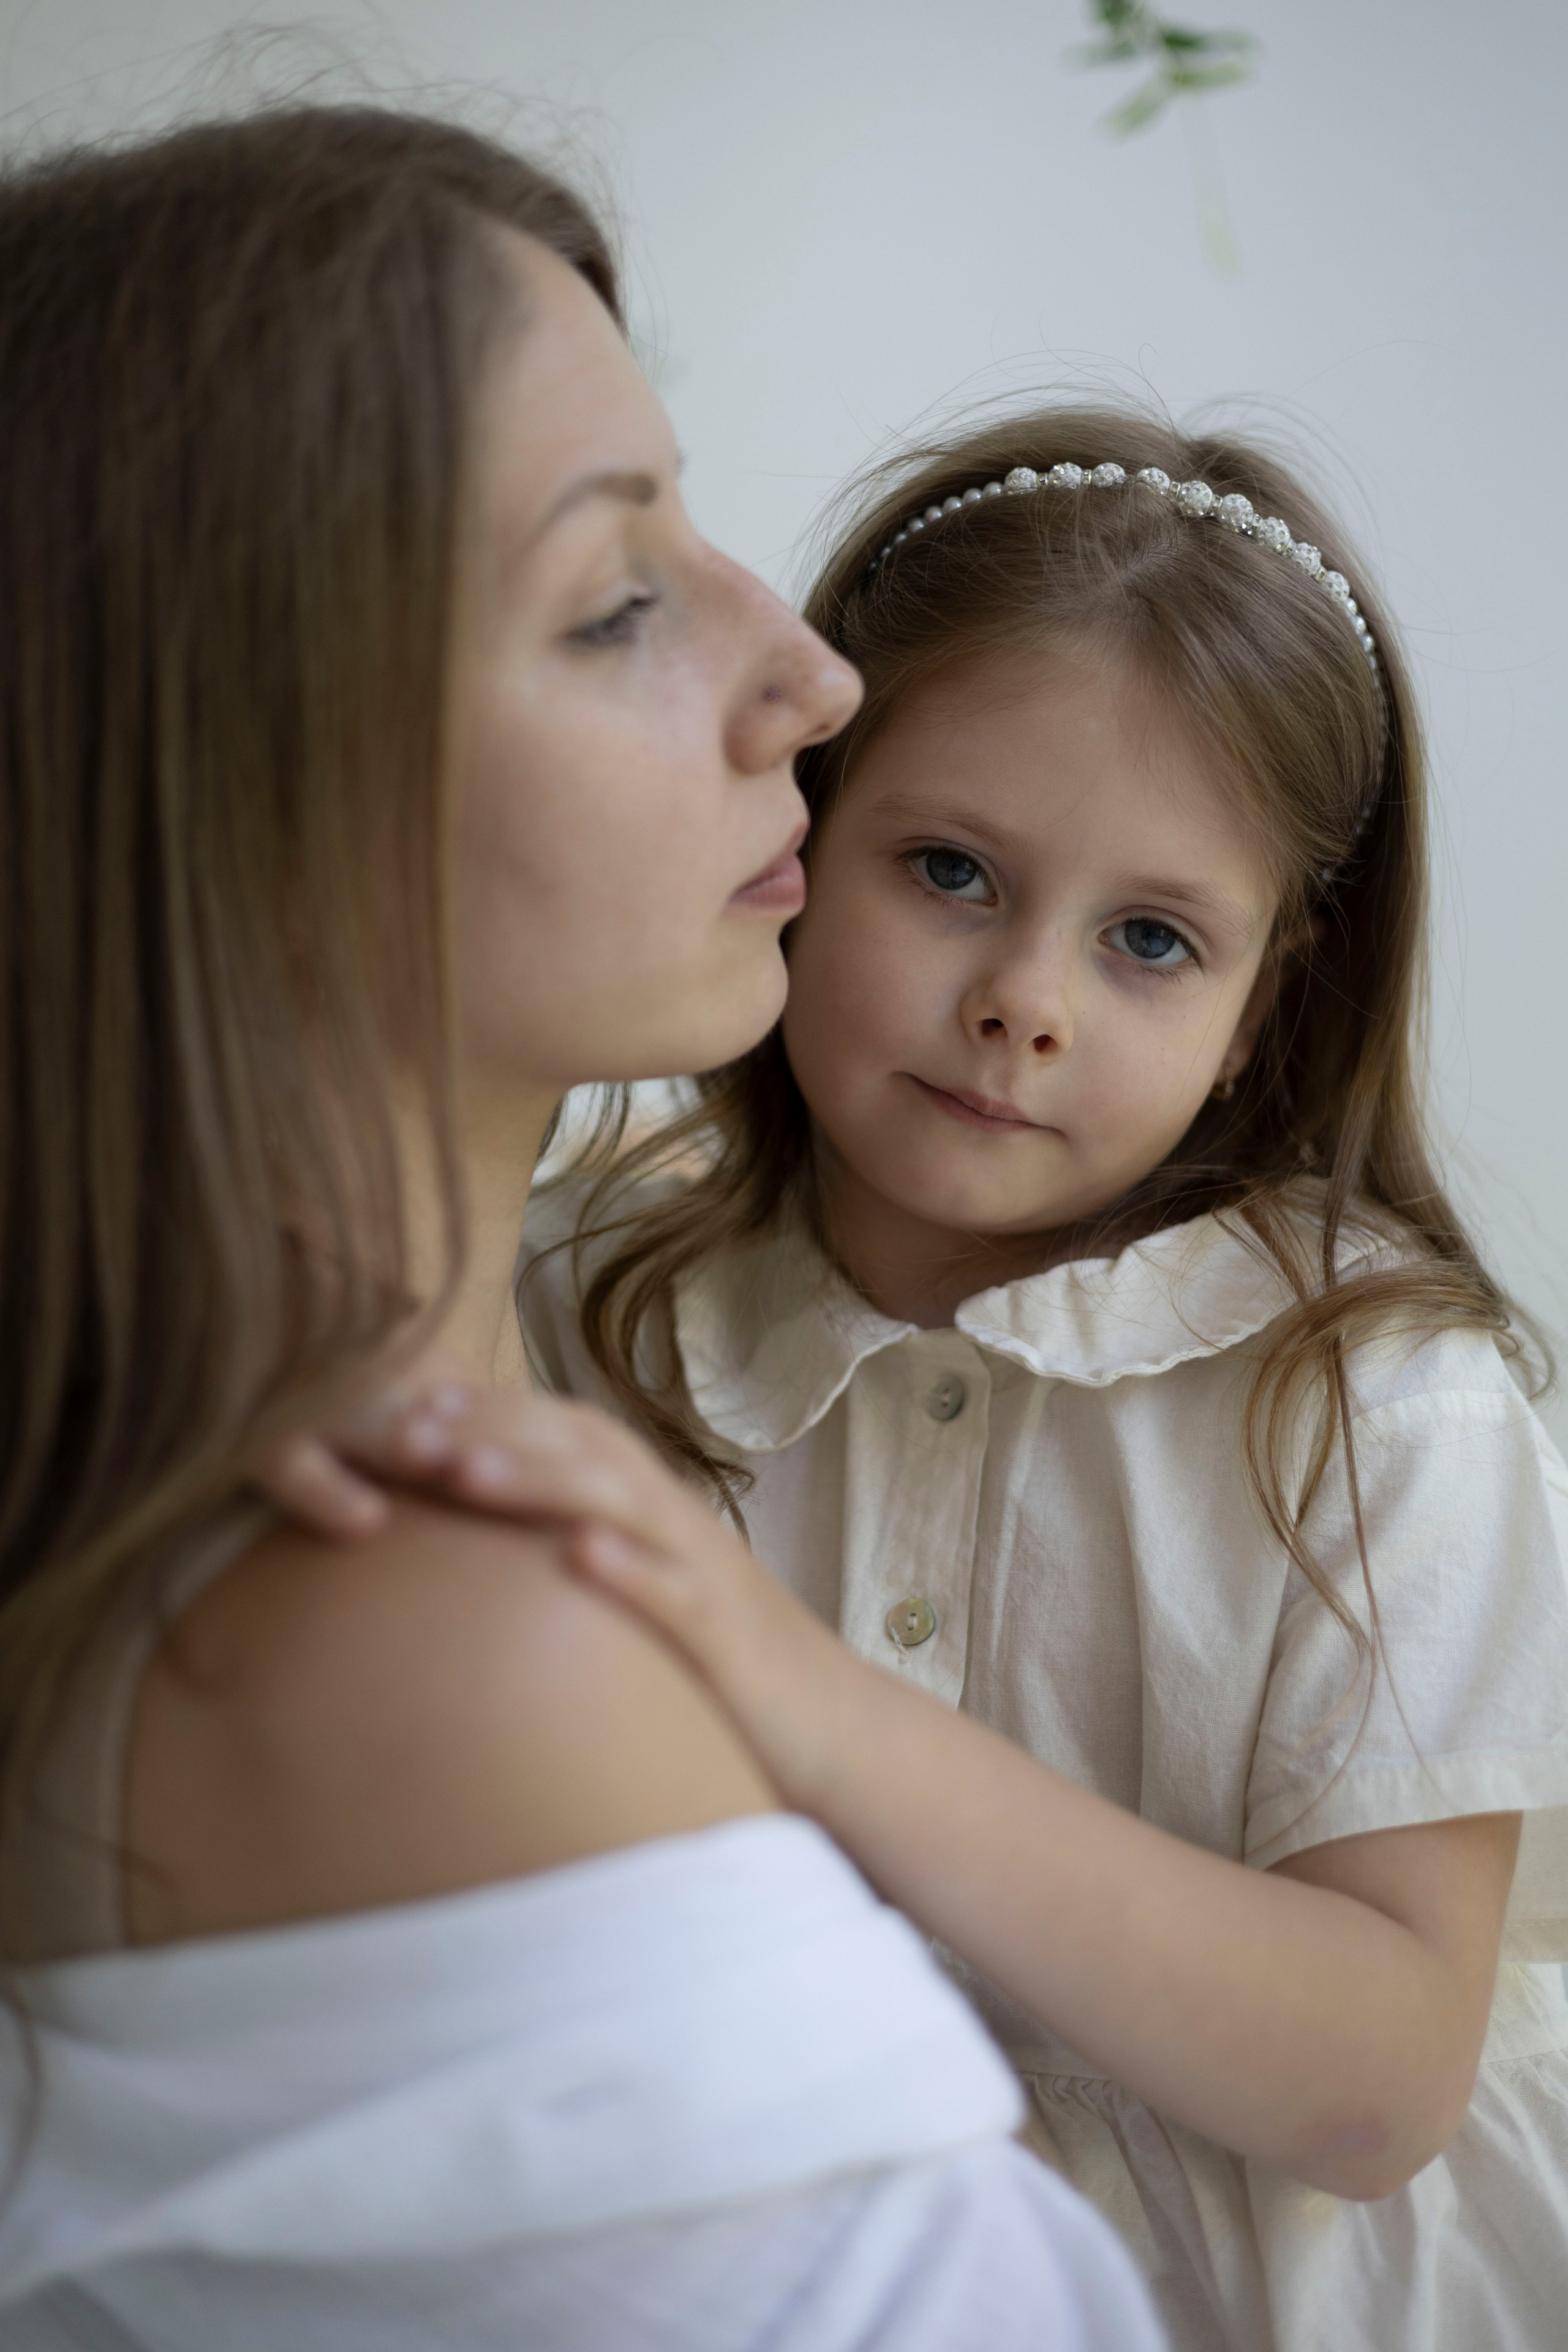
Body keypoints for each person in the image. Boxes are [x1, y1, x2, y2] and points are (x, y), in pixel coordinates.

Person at [0, 114, 1166, 2351]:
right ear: (229, 797)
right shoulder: (432, 1640)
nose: (812, 679)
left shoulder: (359, 1464)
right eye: (618, 599)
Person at [315, 412, 1568, 2352]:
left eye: (1150, 939)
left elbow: (1379, 2086)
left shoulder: (1381, 1400)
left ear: (1268, 1005)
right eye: (952, 871)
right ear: (800, 841)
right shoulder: (574, 1290)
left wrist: (822, 1714)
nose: (1024, 1003)